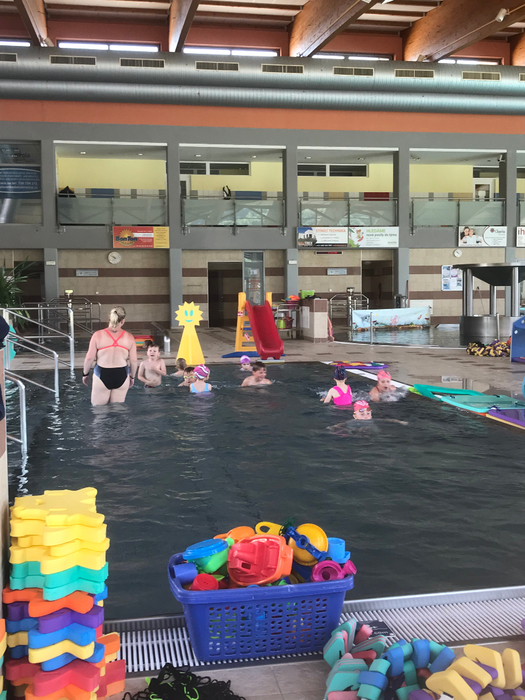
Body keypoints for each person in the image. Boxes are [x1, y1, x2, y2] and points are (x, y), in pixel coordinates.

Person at [82, 306, 137, 406]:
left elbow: (89, 358)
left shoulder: (98, 335)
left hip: (102, 373)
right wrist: (132, 377)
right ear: (123, 321)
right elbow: (133, 361)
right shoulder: (129, 337)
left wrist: (85, 374)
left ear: (109, 317)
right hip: (122, 374)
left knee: (99, 410)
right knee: (117, 410)